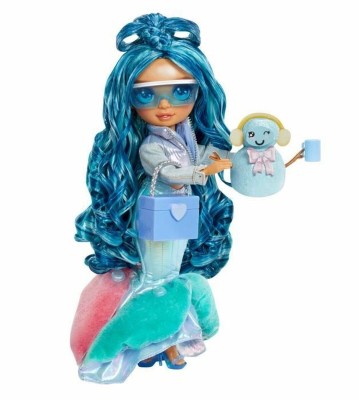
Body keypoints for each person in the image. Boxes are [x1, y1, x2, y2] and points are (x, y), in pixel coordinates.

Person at [70, 13, 234, 384]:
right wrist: (203, 171)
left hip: (178, 210)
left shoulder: (187, 134)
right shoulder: (150, 144)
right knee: (159, 277)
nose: (164, 105)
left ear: (199, 92)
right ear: (128, 99)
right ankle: (145, 345)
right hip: (159, 207)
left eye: (181, 91)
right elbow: (172, 172)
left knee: (170, 274)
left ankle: (164, 345)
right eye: (146, 94)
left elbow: (206, 155)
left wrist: (242, 157)